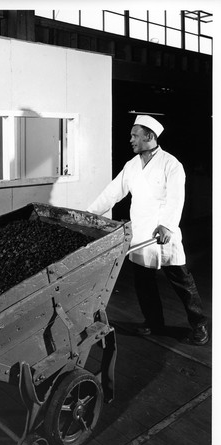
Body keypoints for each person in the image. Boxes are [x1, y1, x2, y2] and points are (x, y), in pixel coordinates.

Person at [86, 114, 209, 346]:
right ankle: (154, 322)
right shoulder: (131, 166)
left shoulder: (171, 164)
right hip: (141, 235)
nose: (131, 139)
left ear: (149, 136)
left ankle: (199, 324)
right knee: (144, 283)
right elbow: (112, 193)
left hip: (165, 235)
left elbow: (176, 198)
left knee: (182, 282)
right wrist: (89, 214)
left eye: (135, 135)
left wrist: (167, 226)